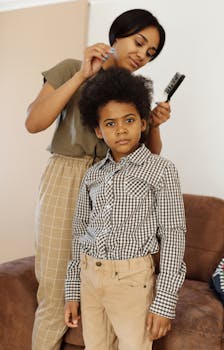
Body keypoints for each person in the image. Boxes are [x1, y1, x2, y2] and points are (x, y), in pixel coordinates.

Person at [25, 9, 171, 350]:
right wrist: (80, 75)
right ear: (117, 35)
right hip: (68, 175)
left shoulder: (135, 92)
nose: (142, 54)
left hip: (113, 180)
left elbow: (148, 158)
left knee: (98, 290)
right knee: (54, 290)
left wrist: (155, 126)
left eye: (150, 53)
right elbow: (33, 122)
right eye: (139, 42)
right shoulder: (68, 68)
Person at [64, 67, 186, 350]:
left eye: (128, 120)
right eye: (110, 123)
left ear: (143, 122)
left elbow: (174, 234)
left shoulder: (161, 170)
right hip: (90, 276)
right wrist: (72, 290)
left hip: (132, 281)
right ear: (98, 130)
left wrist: (165, 301)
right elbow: (79, 231)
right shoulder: (92, 175)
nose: (120, 129)